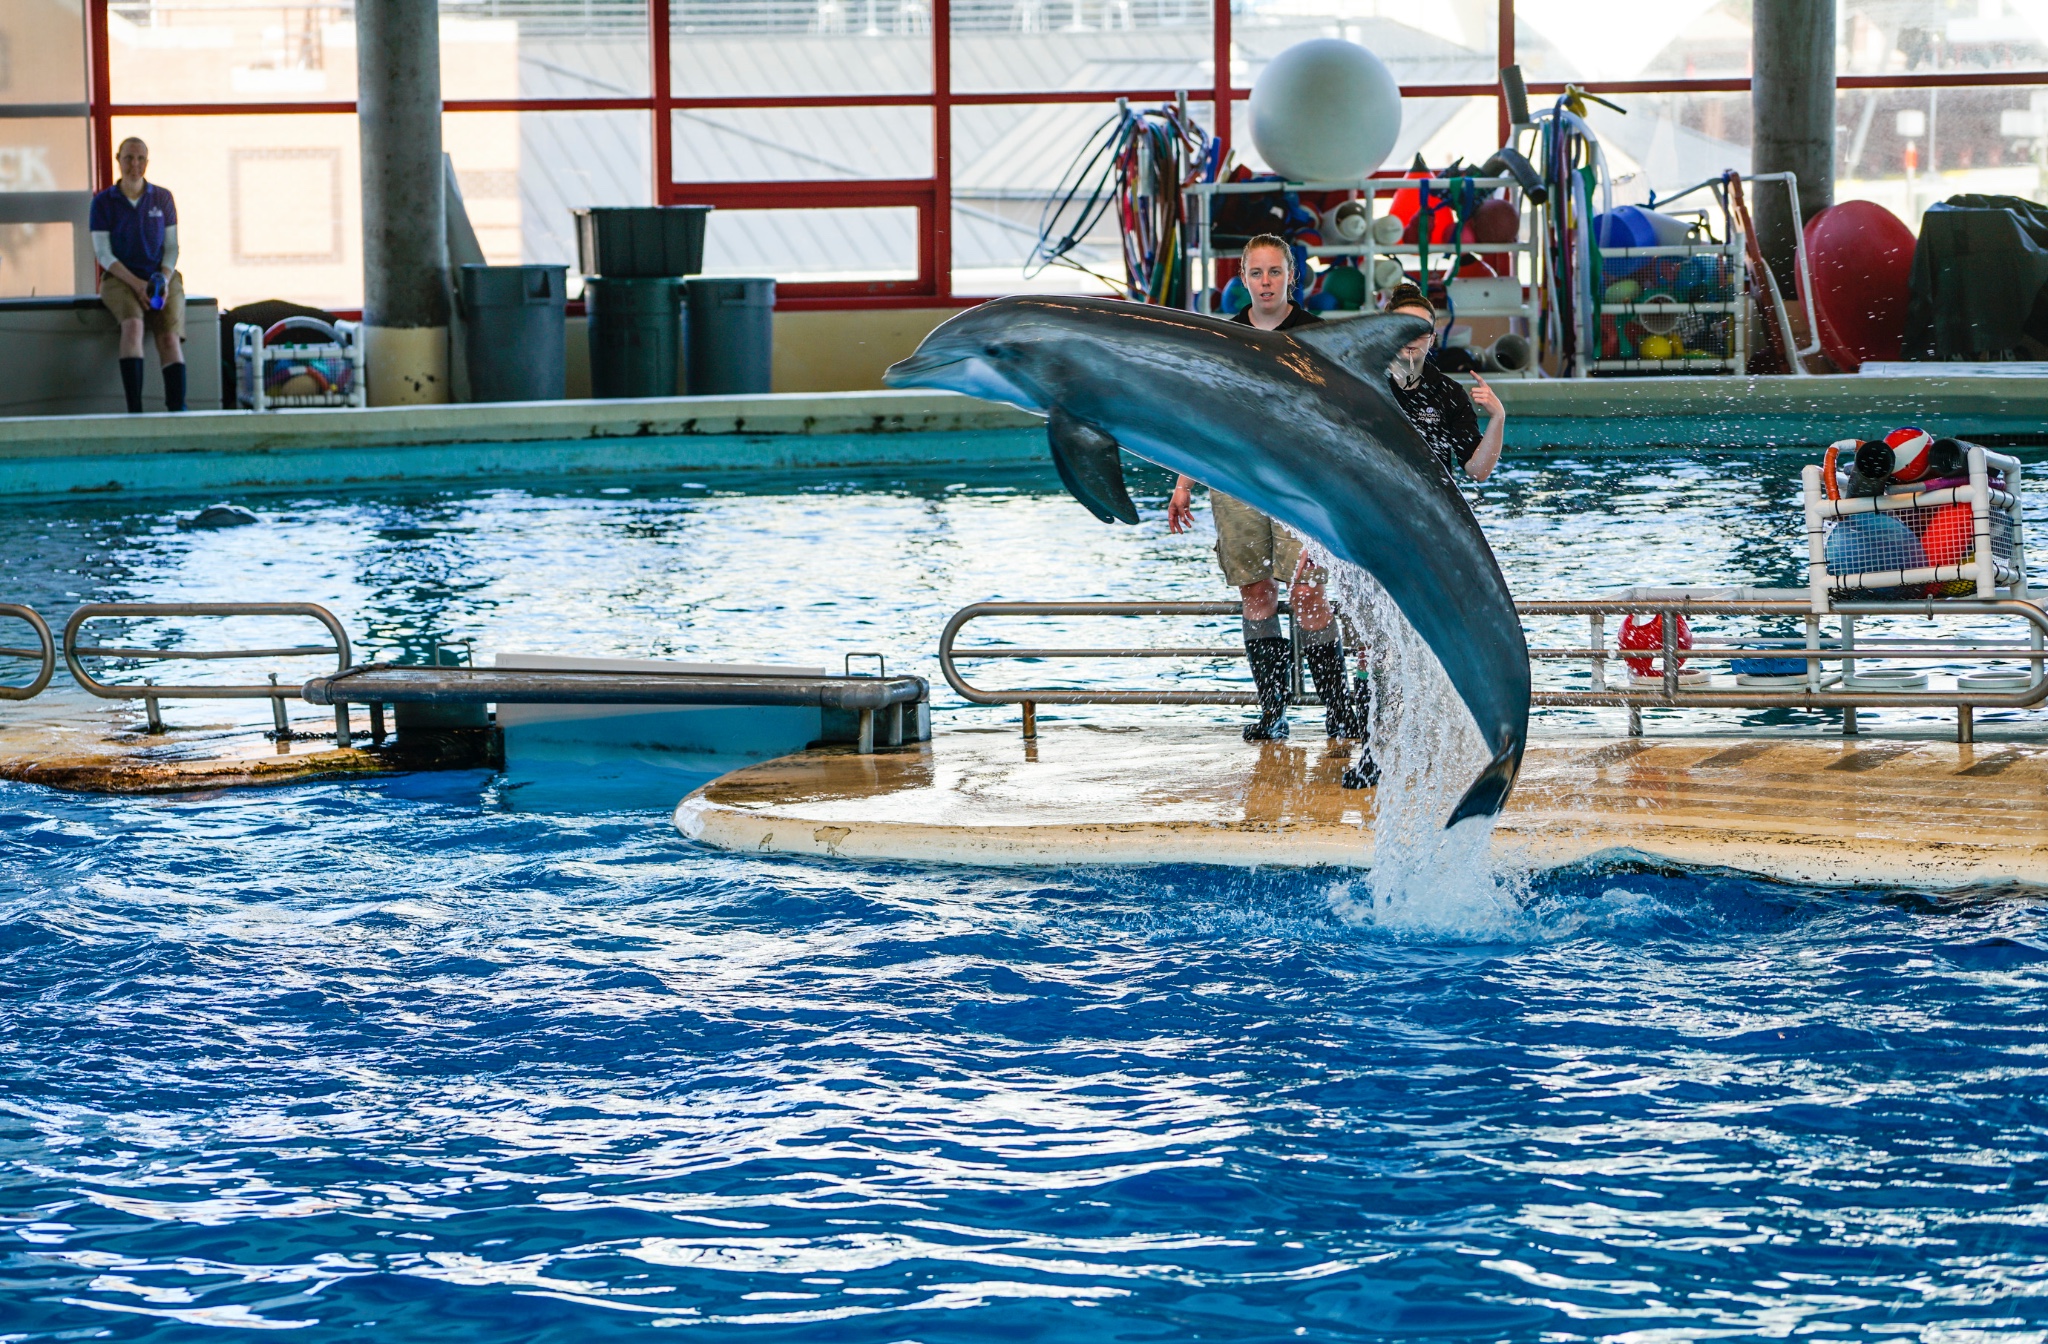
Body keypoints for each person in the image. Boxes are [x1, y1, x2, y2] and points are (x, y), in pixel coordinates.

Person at [1165, 233, 1368, 753]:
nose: (1266, 282)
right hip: (1236, 482)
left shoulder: (1316, 336)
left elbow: (1339, 420)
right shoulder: (1224, 336)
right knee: (1256, 592)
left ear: (1291, 275)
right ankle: (1272, 710)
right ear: (1242, 278)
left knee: (1307, 594)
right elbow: (1202, 418)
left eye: (1275, 272)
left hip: (1301, 486)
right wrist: (1184, 482)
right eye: (1256, 273)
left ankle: (1338, 707)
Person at [90, 137, 186, 414]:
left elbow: (171, 248)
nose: (134, 164)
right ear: (118, 160)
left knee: (169, 337)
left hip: (160, 276)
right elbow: (104, 254)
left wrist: (163, 281)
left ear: (147, 162)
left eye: (140, 159)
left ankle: (177, 412)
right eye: (129, 158)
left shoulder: (163, 198)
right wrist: (137, 284)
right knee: (133, 326)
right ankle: (135, 413)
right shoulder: (103, 203)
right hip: (120, 277)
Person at [1381, 283, 1505, 481]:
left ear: (1432, 339)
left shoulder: (1449, 394)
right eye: (1403, 327)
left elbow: (1478, 472)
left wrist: (1497, 417)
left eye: (1420, 330)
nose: (1411, 337)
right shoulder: (1366, 384)